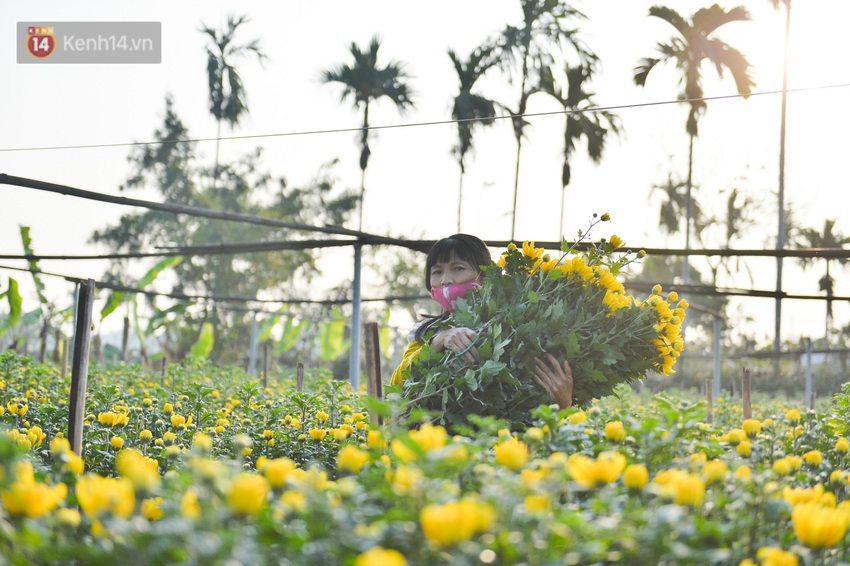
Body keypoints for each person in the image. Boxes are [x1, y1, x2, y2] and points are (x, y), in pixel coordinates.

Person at [390, 233, 573, 410]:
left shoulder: (514, 329)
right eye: (437, 272)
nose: (446, 281)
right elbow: (397, 385)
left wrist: (564, 406)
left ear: (485, 277)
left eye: (458, 268)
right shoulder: (425, 334)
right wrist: (436, 342)